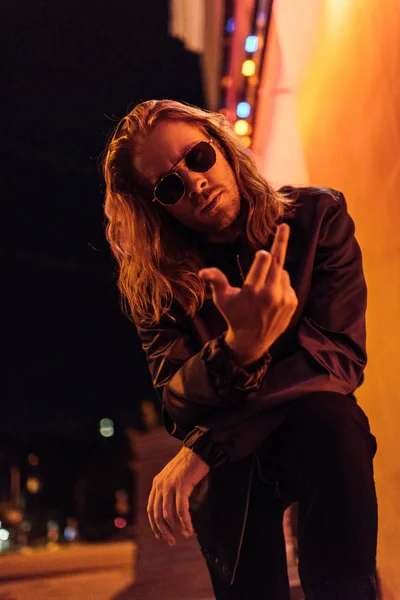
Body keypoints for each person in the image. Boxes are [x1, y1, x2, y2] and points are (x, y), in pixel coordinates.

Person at [102, 99, 378, 599]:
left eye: (198, 157)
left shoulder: (318, 217)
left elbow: (336, 357)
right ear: (155, 204)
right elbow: (177, 398)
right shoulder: (160, 284)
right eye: (168, 185)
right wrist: (237, 351)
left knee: (332, 418)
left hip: (308, 439)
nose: (194, 182)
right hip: (232, 470)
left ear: (224, 147)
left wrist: (208, 446)